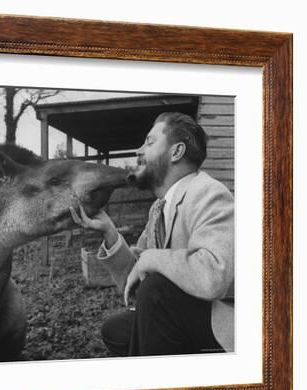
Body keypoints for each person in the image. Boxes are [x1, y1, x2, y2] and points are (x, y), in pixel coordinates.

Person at [70, 112, 234, 356]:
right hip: (182, 314)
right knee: (115, 330)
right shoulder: (159, 208)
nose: (139, 150)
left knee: (156, 290)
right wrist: (110, 231)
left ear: (176, 152)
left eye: (149, 142)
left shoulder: (208, 193)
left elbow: (213, 277)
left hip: (222, 322)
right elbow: (134, 280)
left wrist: (150, 258)